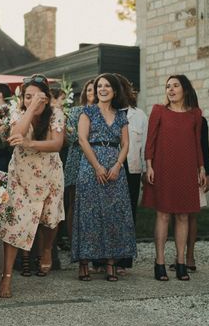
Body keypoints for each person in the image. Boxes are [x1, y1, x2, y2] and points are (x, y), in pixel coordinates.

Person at [0, 74, 65, 298]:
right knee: (14, 224)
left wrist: (30, 143)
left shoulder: (55, 114)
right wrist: (29, 109)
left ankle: (46, 250)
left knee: (50, 217)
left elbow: (57, 144)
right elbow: (15, 135)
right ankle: (6, 277)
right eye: (28, 96)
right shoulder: (18, 113)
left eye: (38, 96)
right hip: (22, 175)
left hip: (49, 173)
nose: (33, 100)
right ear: (22, 98)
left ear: (46, 98)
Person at [72, 74, 136, 282]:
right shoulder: (87, 112)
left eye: (107, 85)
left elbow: (125, 144)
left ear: (115, 90)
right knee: (88, 213)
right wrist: (97, 166)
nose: (102, 89)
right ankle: (84, 263)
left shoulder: (121, 115)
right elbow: (82, 140)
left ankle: (111, 263)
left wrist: (118, 165)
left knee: (114, 214)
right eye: (99, 86)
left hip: (115, 168)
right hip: (91, 166)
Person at [142, 74, 205, 282]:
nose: (170, 89)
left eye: (175, 85)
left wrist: (201, 168)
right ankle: (159, 262)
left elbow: (198, 144)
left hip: (187, 168)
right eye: (168, 86)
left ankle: (180, 262)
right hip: (162, 167)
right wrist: (149, 165)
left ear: (184, 89)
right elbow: (150, 140)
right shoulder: (158, 111)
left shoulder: (195, 114)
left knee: (184, 215)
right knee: (163, 215)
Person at [114, 74, 148, 275]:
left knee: (128, 215)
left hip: (132, 169)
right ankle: (104, 258)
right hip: (110, 167)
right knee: (109, 213)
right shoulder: (106, 112)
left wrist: (145, 170)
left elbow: (144, 145)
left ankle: (124, 260)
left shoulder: (139, 115)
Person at [60, 79, 95, 255]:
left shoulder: (106, 113)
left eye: (95, 89)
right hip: (77, 159)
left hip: (97, 160)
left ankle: (93, 244)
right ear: (85, 93)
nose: (93, 92)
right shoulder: (75, 111)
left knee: (95, 203)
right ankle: (75, 244)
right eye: (89, 90)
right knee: (74, 202)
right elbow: (72, 138)